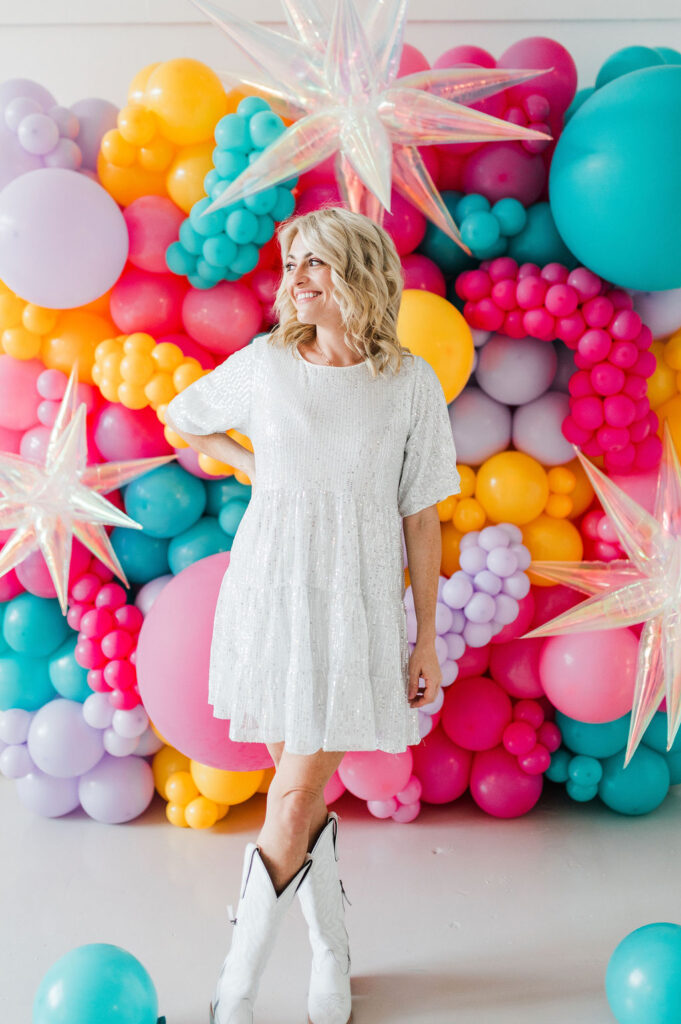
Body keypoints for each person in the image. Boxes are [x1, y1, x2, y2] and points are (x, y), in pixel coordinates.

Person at [165, 206, 461, 1024]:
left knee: (292, 801)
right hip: (268, 595)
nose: (292, 281)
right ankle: (332, 953)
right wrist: (254, 468)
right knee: (298, 799)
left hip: (353, 604)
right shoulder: (264, 364)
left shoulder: (407, 384)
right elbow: (182, 419)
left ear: (356, 274)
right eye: (289, 264)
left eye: (311, 266)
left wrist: (426, 638)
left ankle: (236, 986)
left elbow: (422, 516)